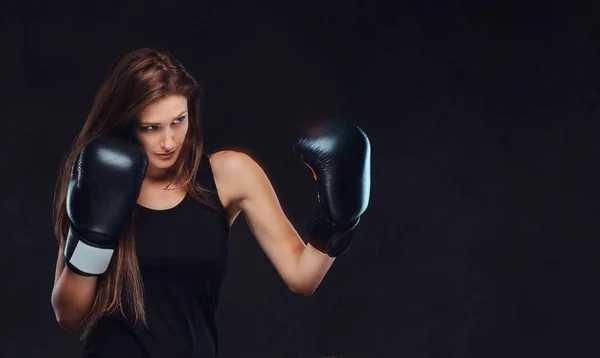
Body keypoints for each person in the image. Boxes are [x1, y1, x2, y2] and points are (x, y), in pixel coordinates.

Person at [50, 47, 371, 358]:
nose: (169, 141)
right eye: (151, 127)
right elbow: (69, 315)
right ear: (127, 124)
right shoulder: (98, 176)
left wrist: (339, 217)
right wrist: (94, 238)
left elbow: (302, 278)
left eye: (179, 120)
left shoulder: (230, 174)